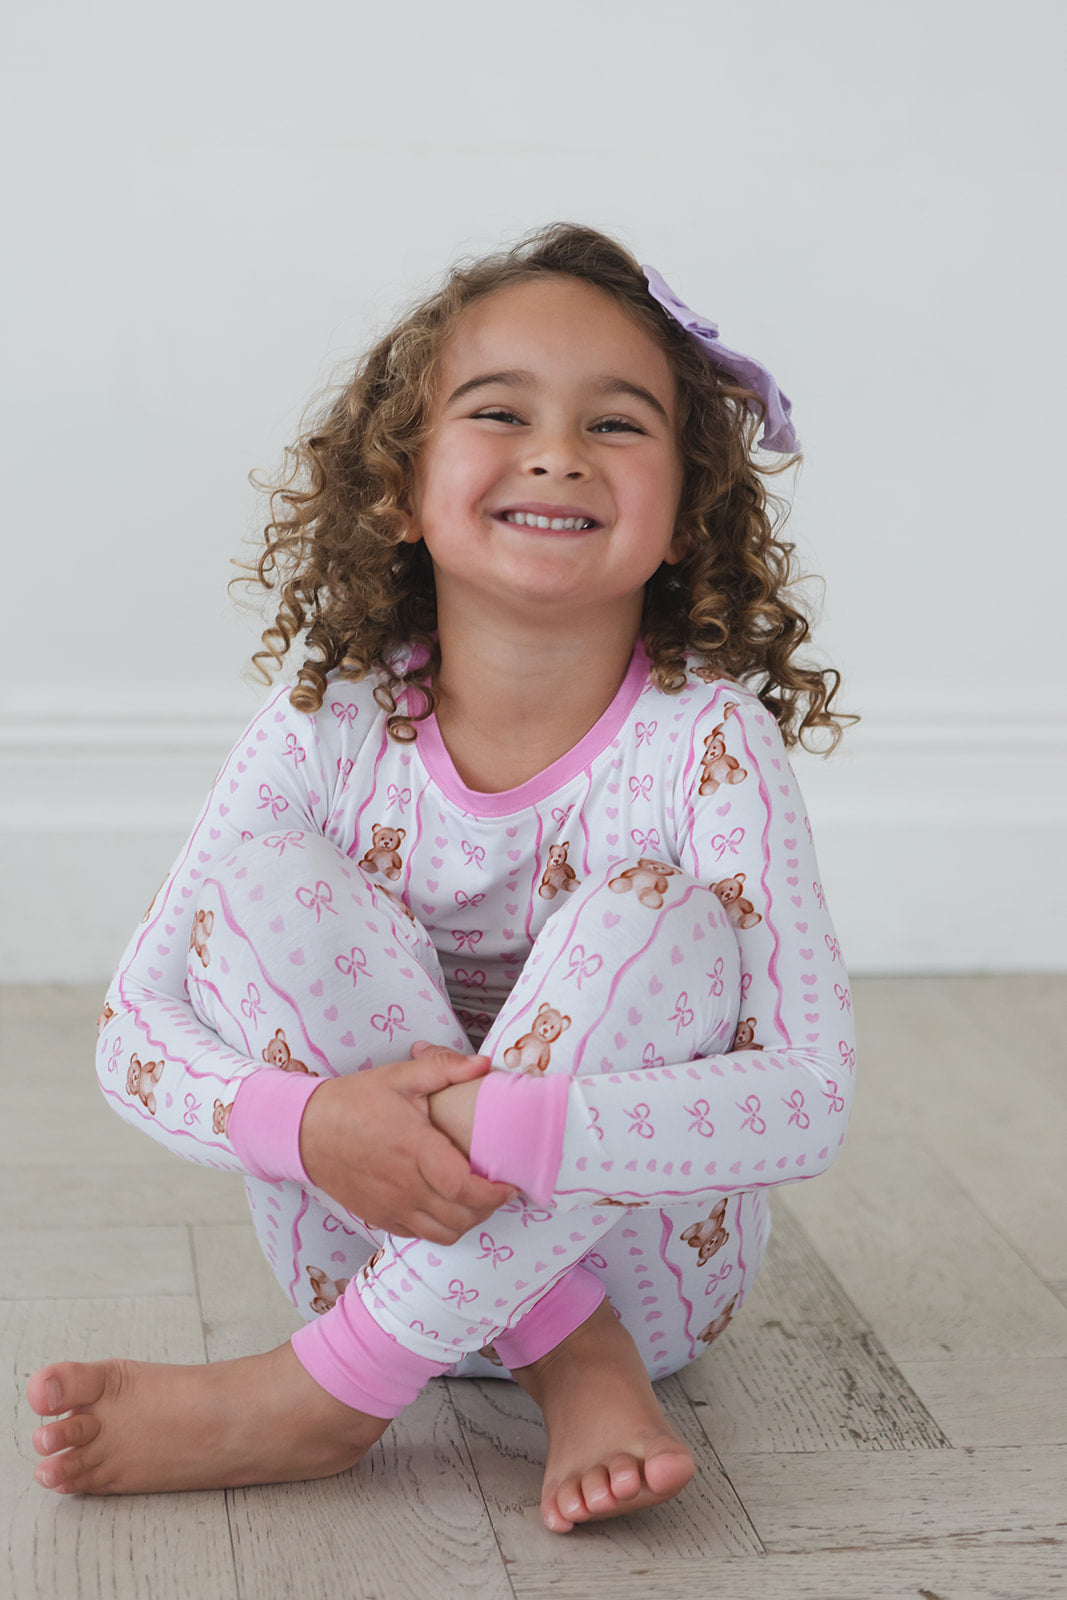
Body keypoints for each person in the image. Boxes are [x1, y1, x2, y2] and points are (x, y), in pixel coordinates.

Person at [28, 223, 855, 1533]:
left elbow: (810, 1094)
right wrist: (312, 1125)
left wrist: (512, 1130)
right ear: (400, 490)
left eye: (617, 424)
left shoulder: (709, 746)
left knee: (656, 917)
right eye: (501, 411)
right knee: (262, 879)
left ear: (686, 512)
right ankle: (567, 1354)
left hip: (650, 1292)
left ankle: (327, 1394)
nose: (558, 451)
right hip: (359, 1238)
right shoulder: (327, 724)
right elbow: (133, 1030)